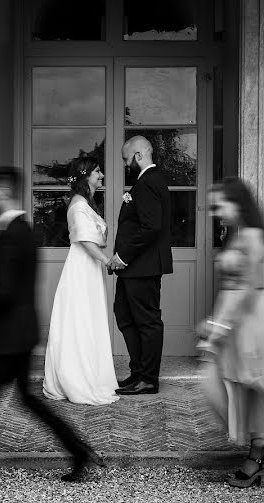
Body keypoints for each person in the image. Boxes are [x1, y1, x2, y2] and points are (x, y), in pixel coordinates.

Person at [0, 167, 104, 486]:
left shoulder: (13, 232)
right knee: (27, 400)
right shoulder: (18, 228)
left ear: (2, 191)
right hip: (20, 333)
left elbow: (7, 291)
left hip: (6, 338)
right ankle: (79, 451)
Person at [197, 178, 264, 488]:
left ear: (237, 204)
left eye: (220, 204)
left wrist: (220, 327)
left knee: (254, 388)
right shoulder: (238, 235)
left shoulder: (252, 237)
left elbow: (249, 289)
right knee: (225, 385)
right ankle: (254, 445)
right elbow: (231, 289)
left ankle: (257, 454)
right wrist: (215, 322)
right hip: (236, 323)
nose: (216, 211)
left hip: (251, 325)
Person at [43, 156, 118, 405]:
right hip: (83, 267)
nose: (102, 176)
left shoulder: (86, 203)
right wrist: (107, 261)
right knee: (81, 320)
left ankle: (93, 374)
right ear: (86, 175)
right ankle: (77, 378)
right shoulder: (78, 205)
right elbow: (85, 241)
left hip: (89, 268)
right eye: (98, 171)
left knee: (89, 319)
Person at [109, 136, 173, 395]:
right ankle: (138, 372)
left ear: (137, 155)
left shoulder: (148, 182)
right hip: (135, 268)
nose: (125, 165)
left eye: (126, 159)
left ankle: (148, 379)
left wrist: (121, 256)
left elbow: (150, 228)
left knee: (147, 321)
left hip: (141, 266)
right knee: (124, 315)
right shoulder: (147, 181)